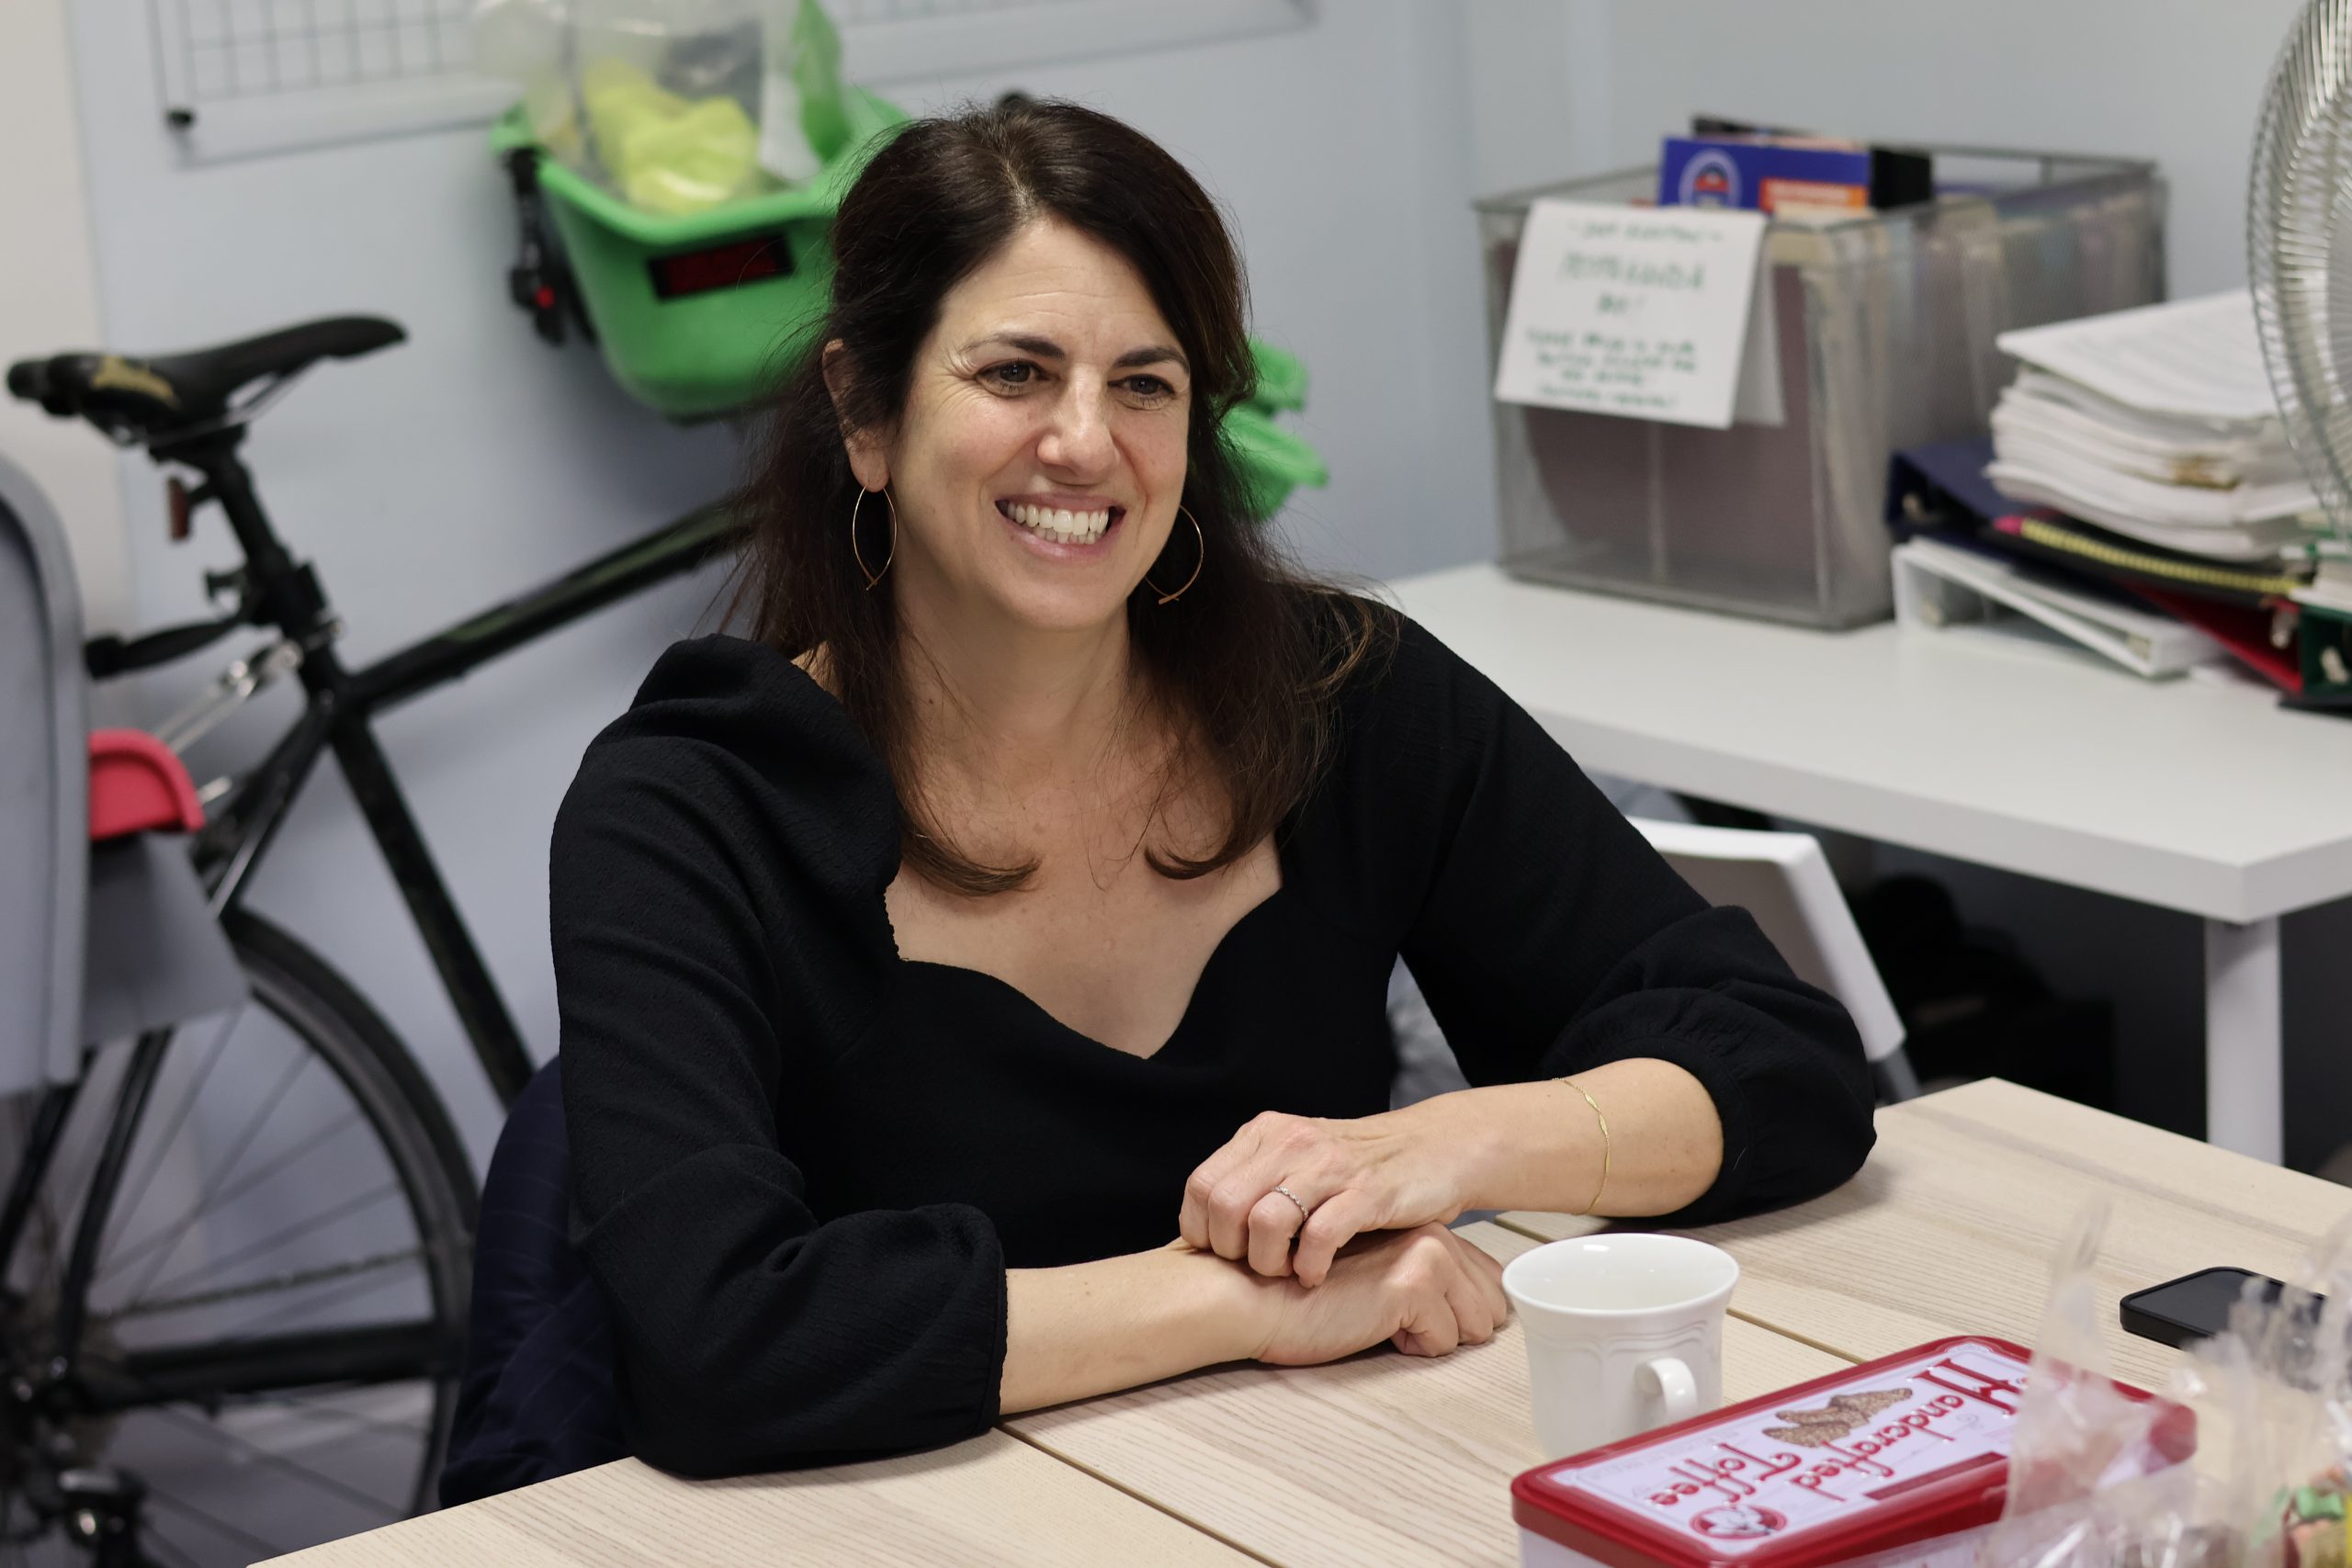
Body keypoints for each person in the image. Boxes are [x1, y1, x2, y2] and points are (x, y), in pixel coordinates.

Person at [550, 97, 1876, 1480]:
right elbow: (717, 1348)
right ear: (865, 415)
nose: (1084, 442)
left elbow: (1782, 1066)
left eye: (1145, 383)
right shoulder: (691, 808)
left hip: (1325, 1492)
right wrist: (1248, 1306)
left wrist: (1443, 1150)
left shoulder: (1343, 698)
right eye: (1015, 373)